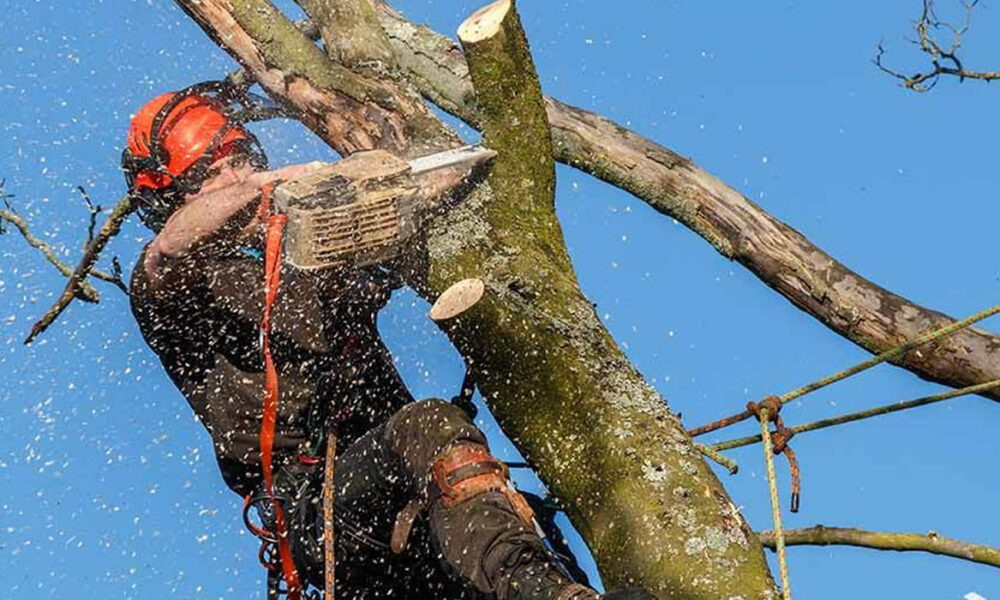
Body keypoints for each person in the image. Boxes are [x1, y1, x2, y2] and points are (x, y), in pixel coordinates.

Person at [124, 85, 651, 600]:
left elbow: (404, 210)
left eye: (240, 160)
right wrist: (272, 183)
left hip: (415, 484)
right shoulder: (173, 292)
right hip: (316, 508)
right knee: (428, 423)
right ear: (168, 197)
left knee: (524, 518)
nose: (235, 177)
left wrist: (402, 180)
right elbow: (172, 246)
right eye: (209, 174)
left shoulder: (308, 253)